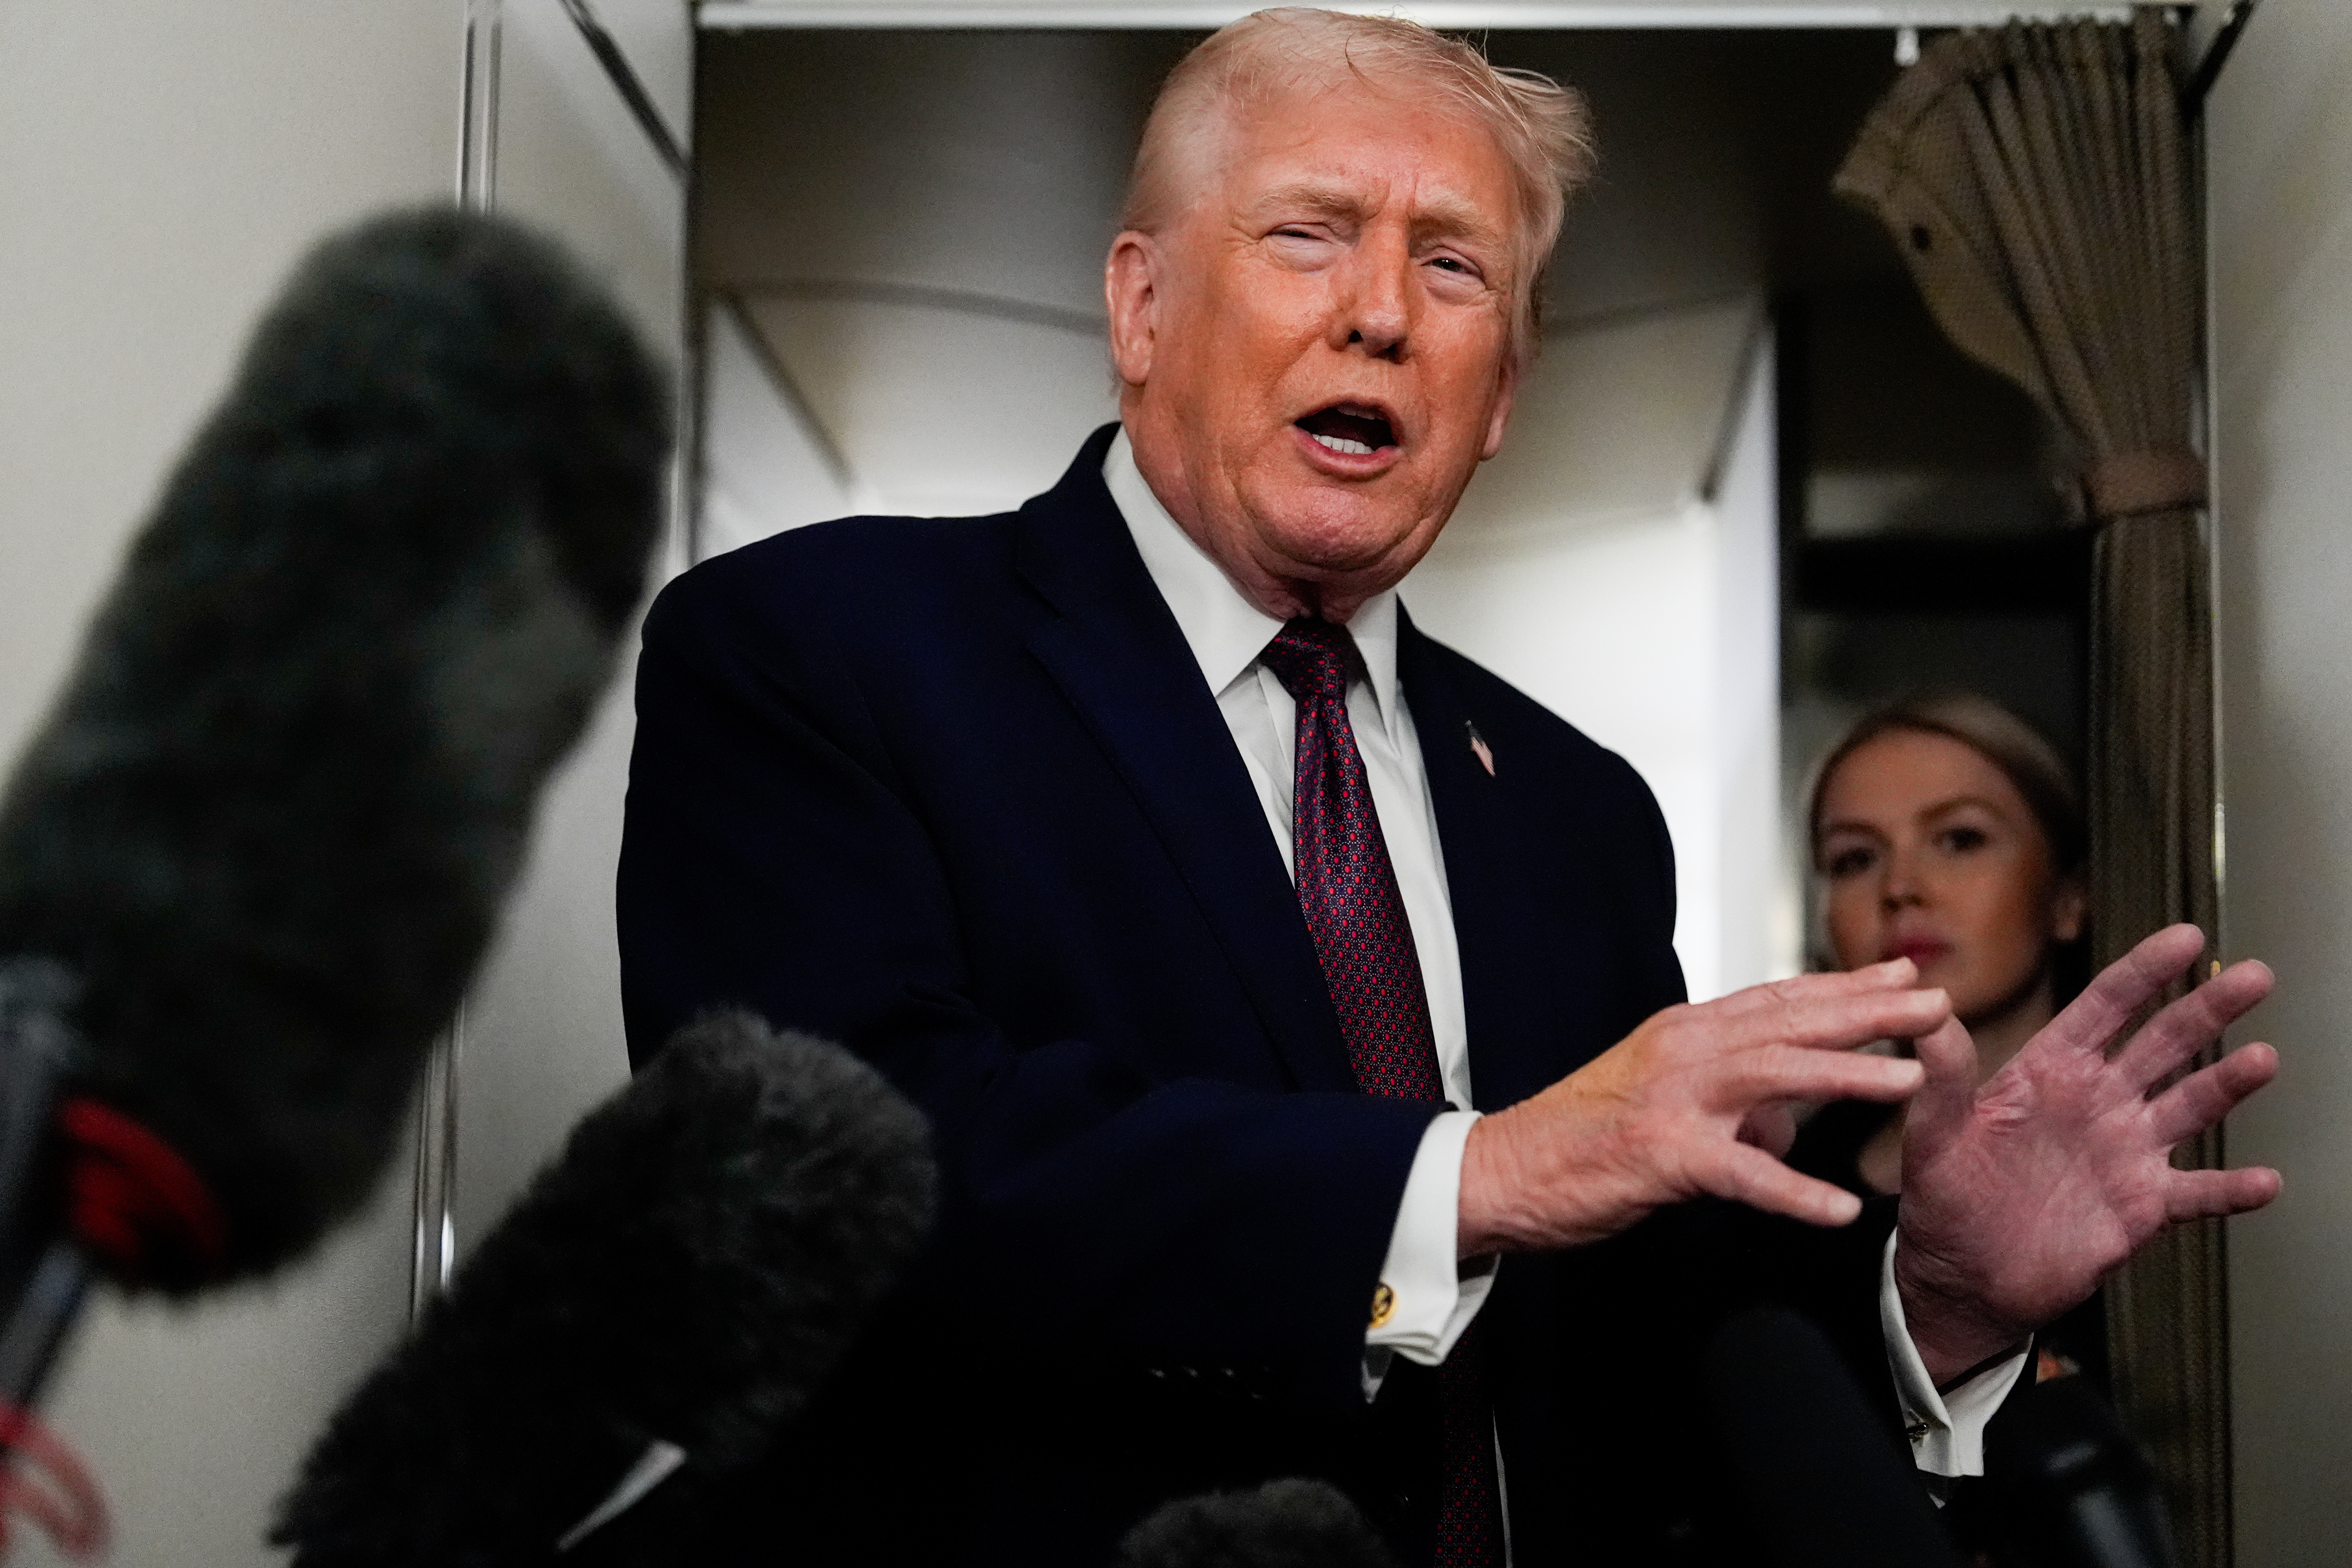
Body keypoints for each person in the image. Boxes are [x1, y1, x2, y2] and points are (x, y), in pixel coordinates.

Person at [615, 12, 2280, 1565]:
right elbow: (828, 1187)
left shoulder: (1574, 809)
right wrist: (1475, 1174)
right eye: (1306, 233)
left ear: (1501, 395)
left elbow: (1656, 1317)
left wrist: (1934, 1289)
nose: (1382, 311)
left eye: (1453, 265)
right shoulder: (817, 654)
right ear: (1138, 305)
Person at [1790, 692, 2089, 1201]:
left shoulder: (2146, 1153)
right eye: (1855, 858)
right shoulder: (1783, 1175)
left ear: (2067, 898)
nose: (1900, 887)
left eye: (1959, 840)